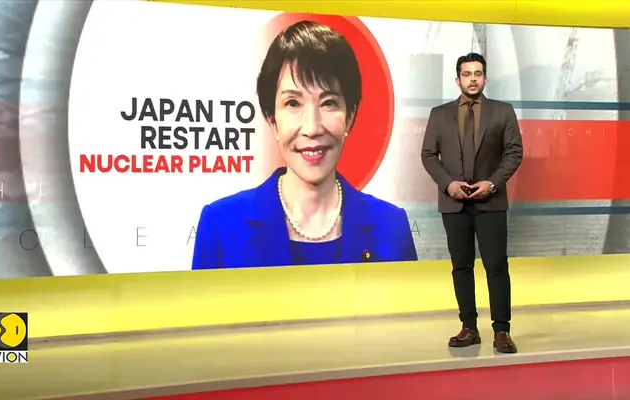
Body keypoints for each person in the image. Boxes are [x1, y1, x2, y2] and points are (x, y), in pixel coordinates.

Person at [191, 21, 417, 270]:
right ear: (272, 120)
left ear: (349, 117)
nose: (312, 128)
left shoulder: (392, 226)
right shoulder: (220, 226)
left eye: (328, 102)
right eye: (293, 103)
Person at [420, 53, 523, 354]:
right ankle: (469, 328)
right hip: (454, 203)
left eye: (478, 73)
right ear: (458, 80)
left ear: (485, 79)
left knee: (496, 267)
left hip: (491, 201)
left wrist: (491, 184)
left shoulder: (502, 111)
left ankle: (502, 331)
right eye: (467, 74)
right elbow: (428, 155)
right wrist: (448, 184)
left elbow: (514, 153)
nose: (473, 79)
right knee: (461, 266)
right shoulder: (439, 114)